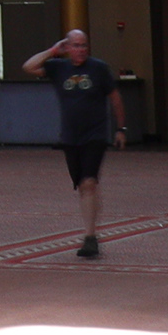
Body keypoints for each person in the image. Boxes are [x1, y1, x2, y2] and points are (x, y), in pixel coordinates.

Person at [22, 27, 128, 257]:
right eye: (75, 45)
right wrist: (52, 51)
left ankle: (90, 237)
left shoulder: (99, 68)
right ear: (67, 48)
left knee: (89, 182)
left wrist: (121, 129)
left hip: (95, 135)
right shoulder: (59, 67)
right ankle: (91, 231)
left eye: (83, 45)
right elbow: (28, 67)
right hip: (70, 137)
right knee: (82, 184)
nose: (80, 50)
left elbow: (115, 98)